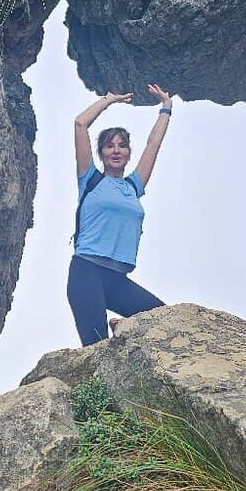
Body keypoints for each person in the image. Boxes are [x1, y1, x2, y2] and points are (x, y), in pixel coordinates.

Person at [68, 84, 173, 346]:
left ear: (127, 154)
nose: (116, 150)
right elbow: (80, 124)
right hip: (86, 272)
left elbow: (153, 144)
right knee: (96, 347)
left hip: (116, 279)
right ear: (102, 153)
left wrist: (166, 108)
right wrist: (109, 101)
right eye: (109, 146)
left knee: (164, 321)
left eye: (122, 146)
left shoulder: (133, 187)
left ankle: (123, 331)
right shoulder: (90, 179)